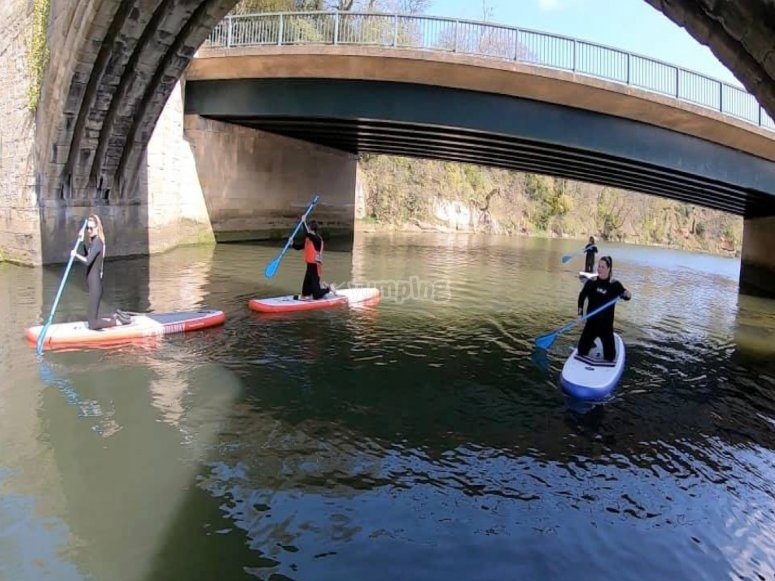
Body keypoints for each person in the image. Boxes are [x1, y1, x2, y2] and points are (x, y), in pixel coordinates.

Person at [70, 214, 130, 330]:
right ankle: (115, 314)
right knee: (92, 317)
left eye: (91, 228)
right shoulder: (94, 242)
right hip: (93, 285)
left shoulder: (98, 242)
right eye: (88, 228)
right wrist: (82, 243)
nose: (89, 230)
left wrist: (75, 255)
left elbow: (87, 261)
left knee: (92, 324)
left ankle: (118, 322)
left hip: (96, 286)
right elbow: (89, 256)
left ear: (97, 228)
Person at [576, 255, 631, 362]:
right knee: (581, 351)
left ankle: (600, 345)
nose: (599, 269)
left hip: (606, 327)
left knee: (610, 357)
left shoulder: (614, 285)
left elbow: (626, 295)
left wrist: (627, 294)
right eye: (599, 266)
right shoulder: (592, 282)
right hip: (591, 324)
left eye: (602, 267)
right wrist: (580, 314)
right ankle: (590, 343)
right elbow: (581, 297)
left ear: (609, 268)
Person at [290, 216, 335, 300]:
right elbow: (298, 247)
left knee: (316, 295)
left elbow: (307, 233)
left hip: (315, 267)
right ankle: (311, 292)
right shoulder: (308, 239)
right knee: (305, 293)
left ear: (311, 229)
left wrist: (303, 222)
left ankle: (329, 289)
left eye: (308, 226)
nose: (307, 229)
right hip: (309, 266)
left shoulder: (317, 239)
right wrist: (292, 243)